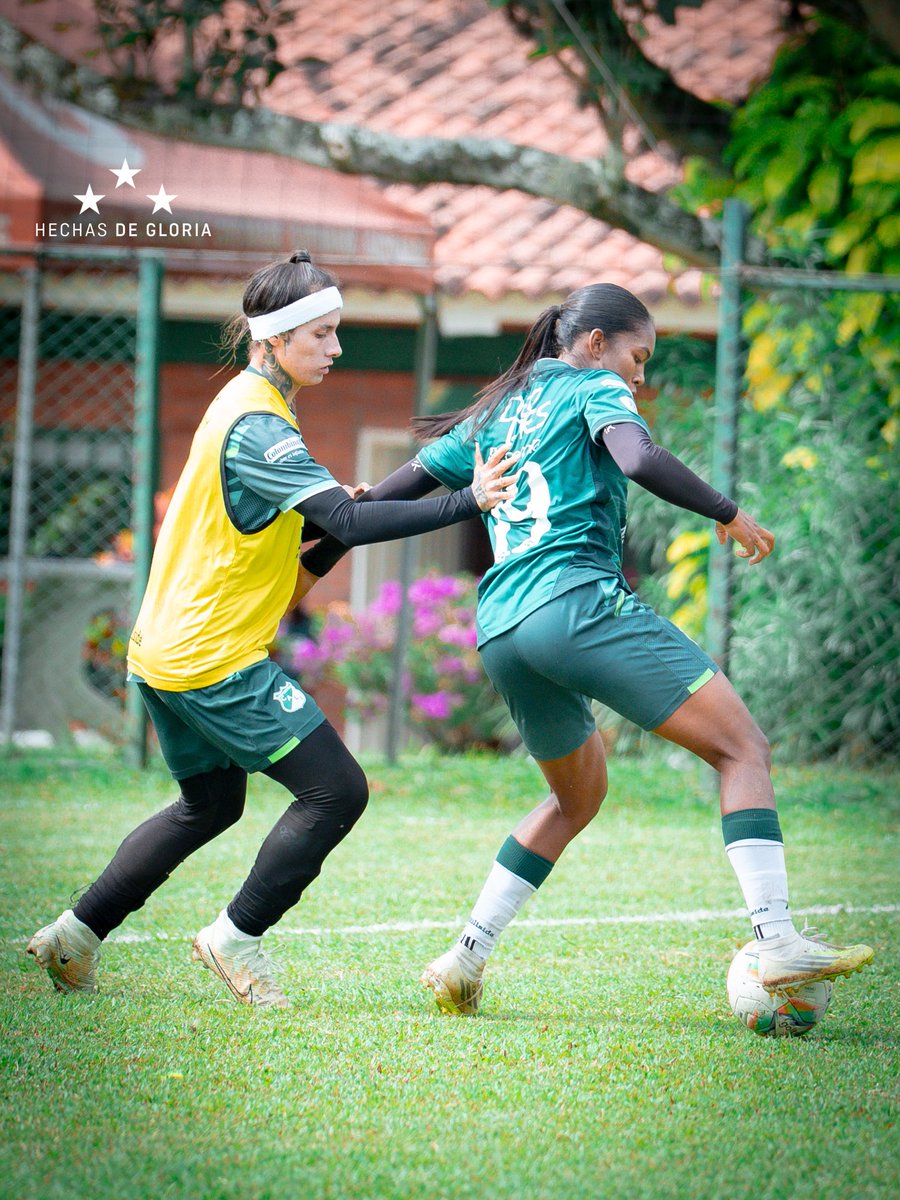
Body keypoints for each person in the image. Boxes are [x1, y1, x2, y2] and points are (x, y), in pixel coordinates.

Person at [297, 282, 875, 1016]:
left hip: (503, 625)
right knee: (743, 749)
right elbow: (636, 457)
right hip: (575, 604)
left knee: (579, 794)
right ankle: (779, 937)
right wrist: (727, 512)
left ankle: (465, 956)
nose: (641, 375)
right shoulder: (593, 385)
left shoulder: (498, 405)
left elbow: (384, 497)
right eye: (639, 356)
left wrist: (318, 533)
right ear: (597, 343)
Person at [26, 251, 518, 1008]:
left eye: (336, 332)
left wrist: (333, 521)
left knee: (210, 805)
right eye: (321, 335)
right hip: (214, 658)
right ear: (275, 341)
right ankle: (233, 939)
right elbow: (349, 518)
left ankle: (73, 937)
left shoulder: (248, 405)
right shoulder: (258, 423)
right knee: (337, 791)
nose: (336, 348)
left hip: (165, 649)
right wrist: (469, 503)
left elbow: (311, 535)